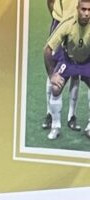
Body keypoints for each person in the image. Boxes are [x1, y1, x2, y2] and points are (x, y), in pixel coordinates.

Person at [43, 0, 90, 140]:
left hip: (85, 56)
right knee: (56, 81)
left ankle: (72, 116)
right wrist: (51, 74)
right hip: (64, 23)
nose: (86, 13)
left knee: (76, 77)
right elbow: (47, 50)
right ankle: (51, 118)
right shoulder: (67, 23)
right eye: (84, 10)